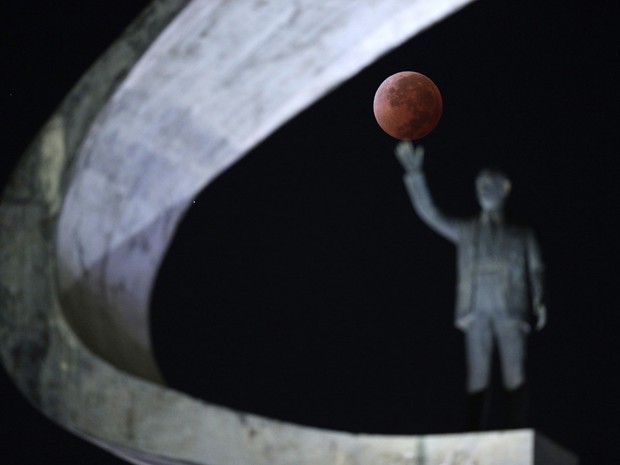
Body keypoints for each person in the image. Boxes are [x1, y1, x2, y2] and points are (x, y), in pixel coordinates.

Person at [394, 141, 546, 430]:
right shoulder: (466, 231)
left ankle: (516, 431)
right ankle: (472, 432)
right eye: (480, 184)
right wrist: (415, 175)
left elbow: (536, 267)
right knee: (477, 374)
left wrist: (539, 300)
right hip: (476, 308)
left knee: (514, 371)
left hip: (510, 308)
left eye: (490, 183)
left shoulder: (522, 235)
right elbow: (430, 213)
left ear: (505, 188)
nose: (483, 188)